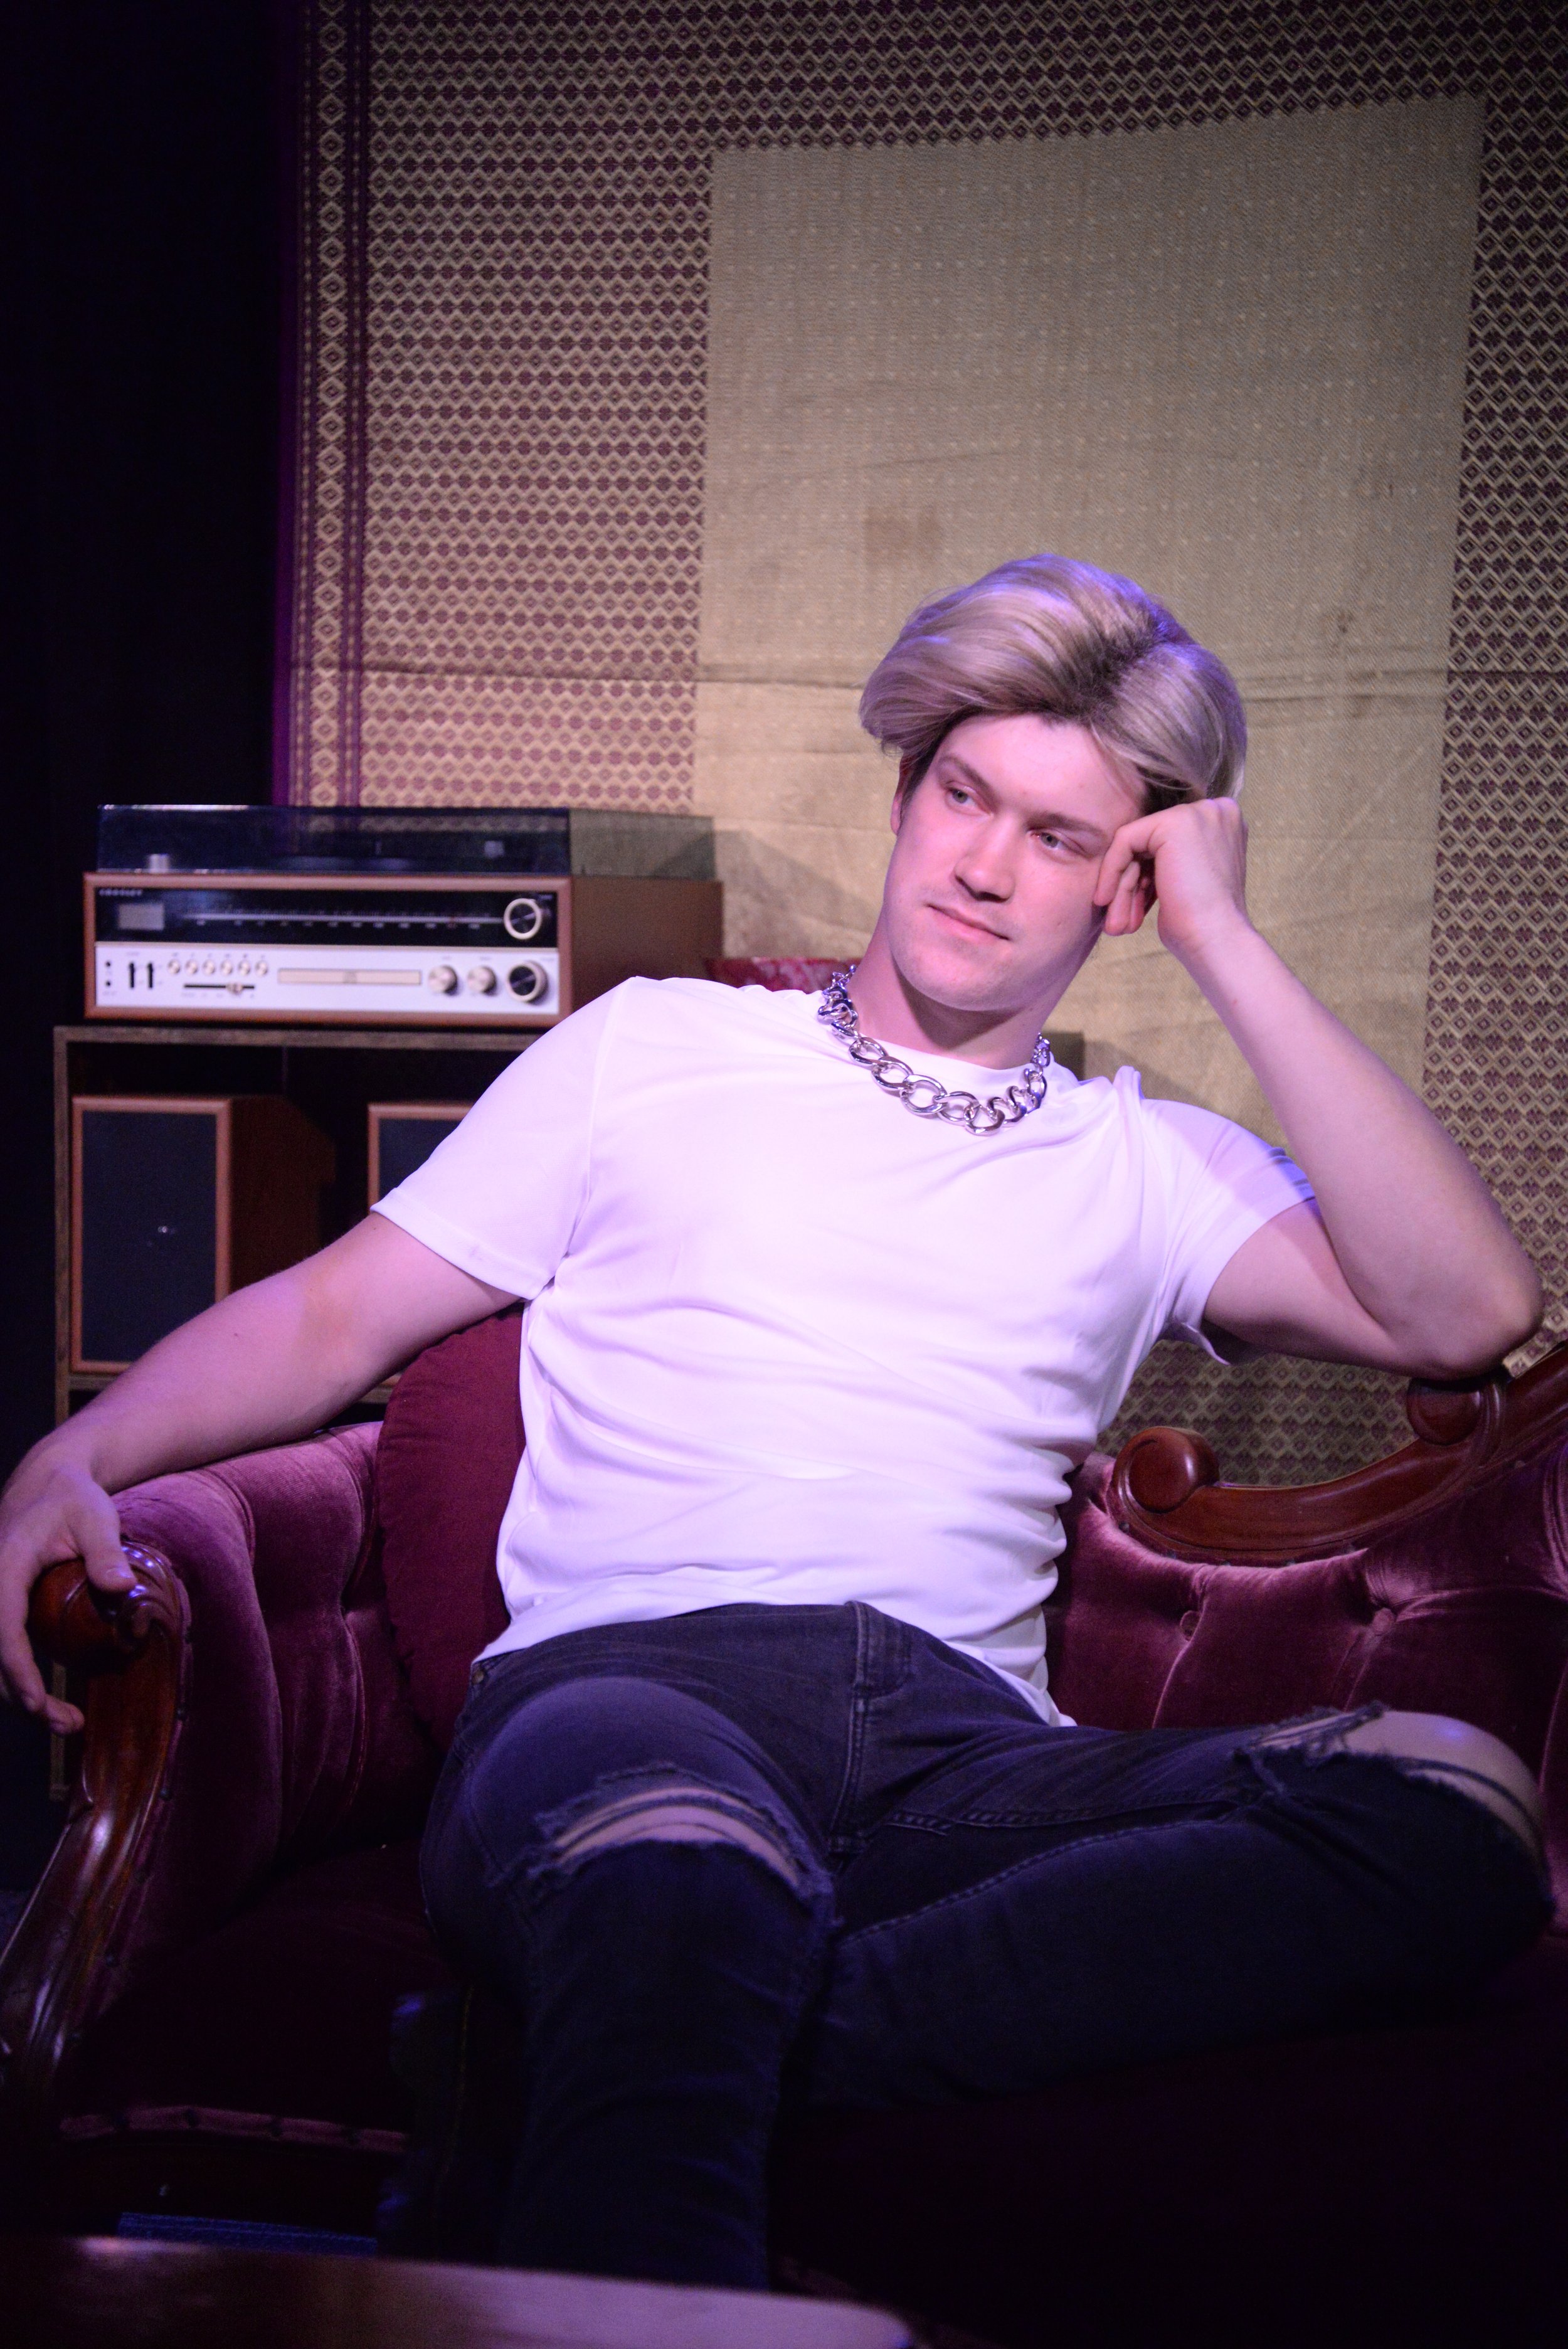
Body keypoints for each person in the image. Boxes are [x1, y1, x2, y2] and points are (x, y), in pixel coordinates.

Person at [0, 554, 1550, 2289]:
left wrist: (1228, 941)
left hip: (960, 1755)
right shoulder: (653, 1049)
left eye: (1058, 836)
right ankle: (670, 2036)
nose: (981, 863)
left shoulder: (1145, 1161)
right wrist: (75, 1455)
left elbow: (1467, 1310)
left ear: (1128, 885)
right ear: (904, 795)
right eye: (962, 795)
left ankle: (577, 2071)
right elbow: (333, 1312)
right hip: (629, 1695)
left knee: (1453, 1802)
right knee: (685, 1873)